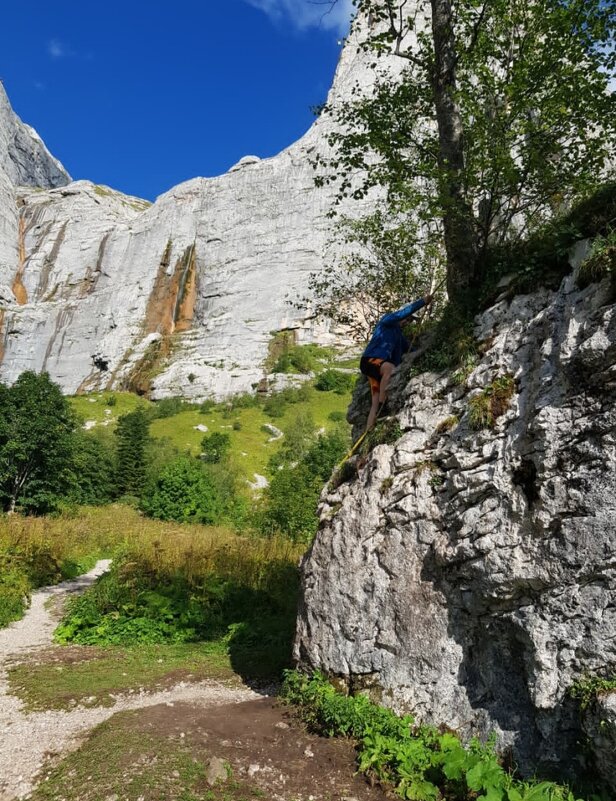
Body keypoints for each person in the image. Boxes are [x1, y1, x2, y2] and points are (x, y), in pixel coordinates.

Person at [360, 295, 433, 430]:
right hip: (370, 360)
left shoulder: (399, 336)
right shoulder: (387, 321)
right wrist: (422, 302)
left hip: (375, 369)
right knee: (389, 368)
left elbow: (407, 350)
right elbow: (400, 314)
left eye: (411, 321)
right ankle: (383, 405)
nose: (408, 322)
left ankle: (368, 431)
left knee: (374, 403)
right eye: (408, 318)